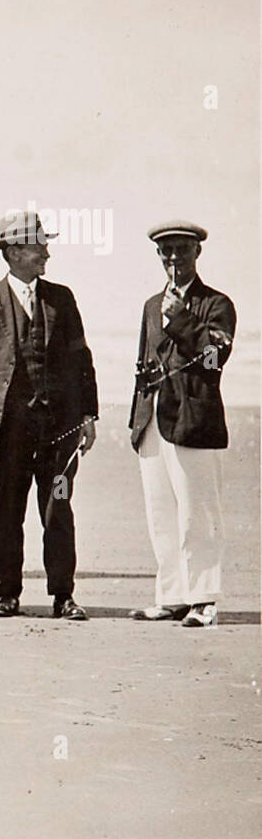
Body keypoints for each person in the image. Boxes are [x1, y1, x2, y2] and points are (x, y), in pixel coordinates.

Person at [0, 211, 97, 621]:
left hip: (60, 430)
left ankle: (63, 595)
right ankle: (6, 593)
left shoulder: (62, 298)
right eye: (38, 246)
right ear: (14, 253)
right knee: (7, 507)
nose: (47, 252)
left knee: (57, 506)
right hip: (8, 430)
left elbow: (81, 358)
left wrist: (89, 415)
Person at [129, 221, 235, 628]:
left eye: (181, 250)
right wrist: (136, 419)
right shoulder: (150, 303)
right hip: (154, 420)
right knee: (161, 513)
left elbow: (214, 360)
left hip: (194, 421)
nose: (173, 258)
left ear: (197, 254)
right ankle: (172, 595)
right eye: (166, 251)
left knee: (198, 512)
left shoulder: (217, 304)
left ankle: (203, 598)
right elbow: (144, 362)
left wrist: (181, 320)